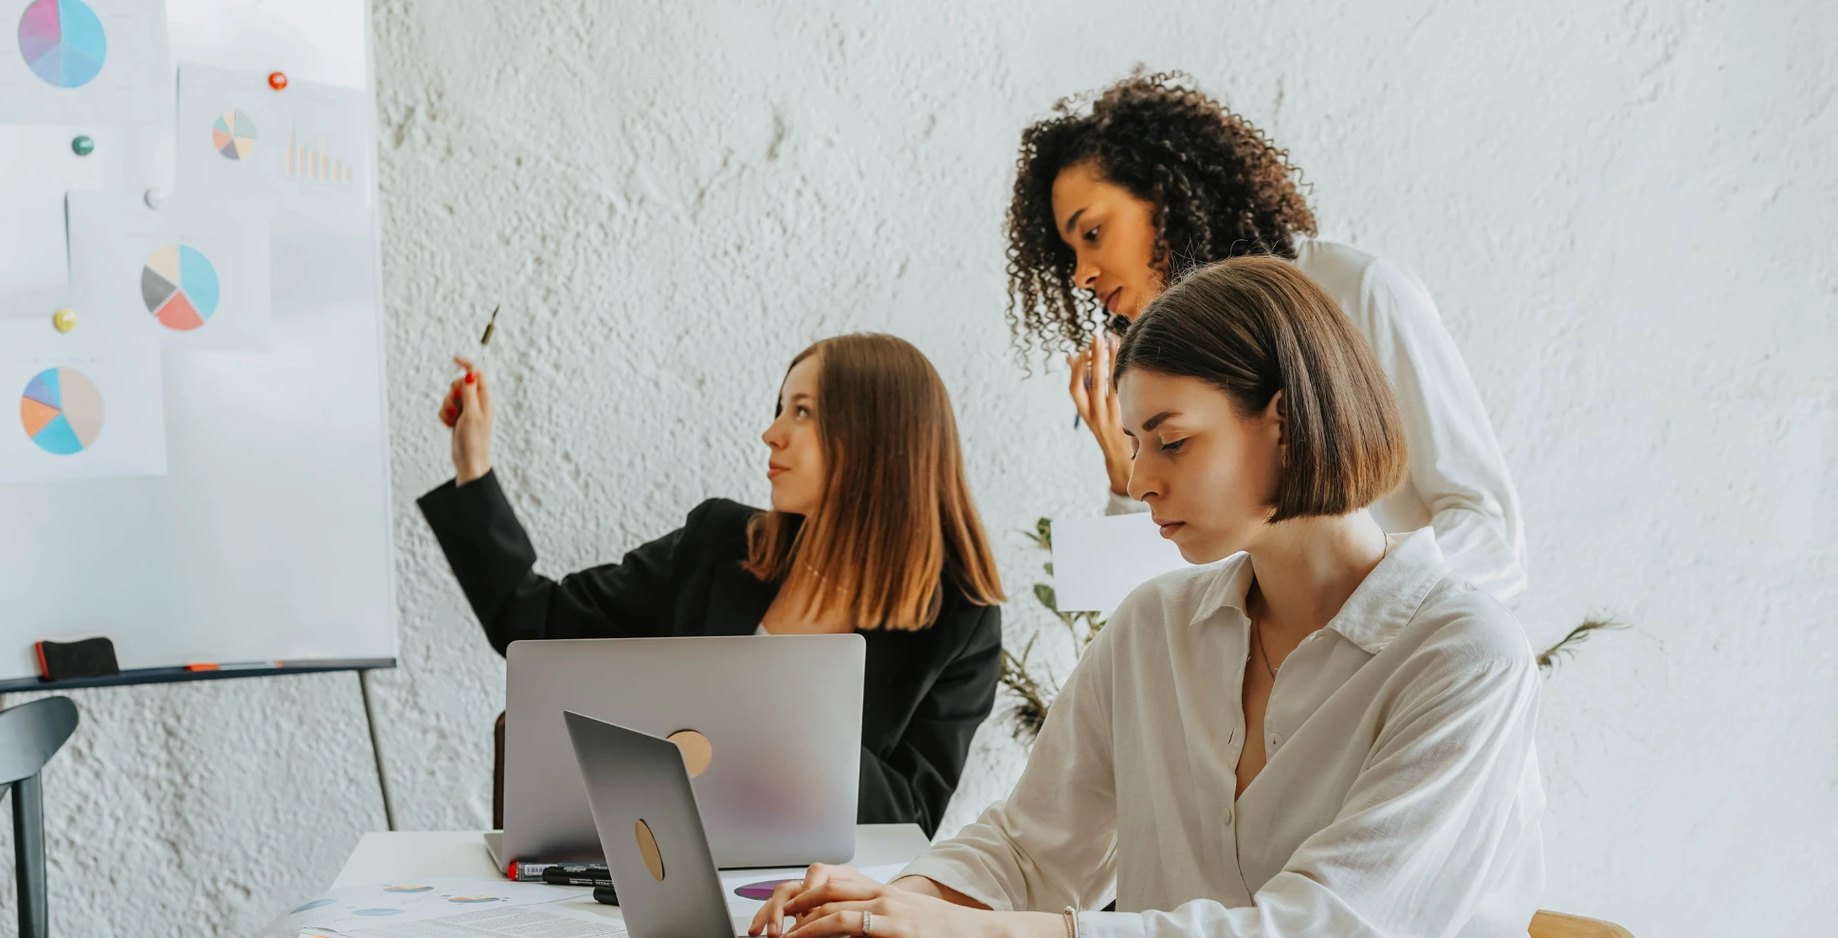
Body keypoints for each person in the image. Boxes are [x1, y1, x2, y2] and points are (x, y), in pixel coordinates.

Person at [753, 257, 1544, 938]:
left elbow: (1324, 926)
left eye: (1172, 441)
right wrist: (887, 903)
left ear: (1286, 421)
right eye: (1134, 445)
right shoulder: (1153, 627)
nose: (1139, 481)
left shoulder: (1465, 659)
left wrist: (975, 929)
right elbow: (1031, 850)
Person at [418, 333, 1005, 837]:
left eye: (802, 412)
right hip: (660, 864)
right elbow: (531, 622)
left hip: (811, 898)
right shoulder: (719, 543)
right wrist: (473, 466)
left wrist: (788, 707)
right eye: (780, 407)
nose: (771, 433)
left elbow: (909, 823)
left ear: (878, 438)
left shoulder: (960, 622)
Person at [1006, 72, 1528, 603]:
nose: (1081, 275)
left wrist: (1355, 613)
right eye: (1070, 254)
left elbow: (1489, 532)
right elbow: (1158, 603)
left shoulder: (1356, 290)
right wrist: (1126, 467)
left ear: (1164, 196)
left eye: (1093, 233)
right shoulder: (1165, 373)